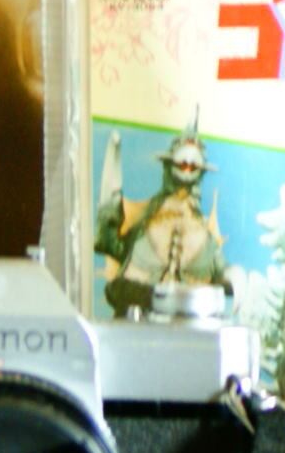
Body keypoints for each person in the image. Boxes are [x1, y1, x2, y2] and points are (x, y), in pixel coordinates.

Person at [94, 116, 230, 315]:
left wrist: (235, 278)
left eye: (192, 167)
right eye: (182, 164)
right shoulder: (145, 224)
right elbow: (107, 243)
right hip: (137, 322)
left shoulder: (204, 238)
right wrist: (110, 204)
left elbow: (222, 272)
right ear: (170, 165)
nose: (187, 168)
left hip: (187, 325)